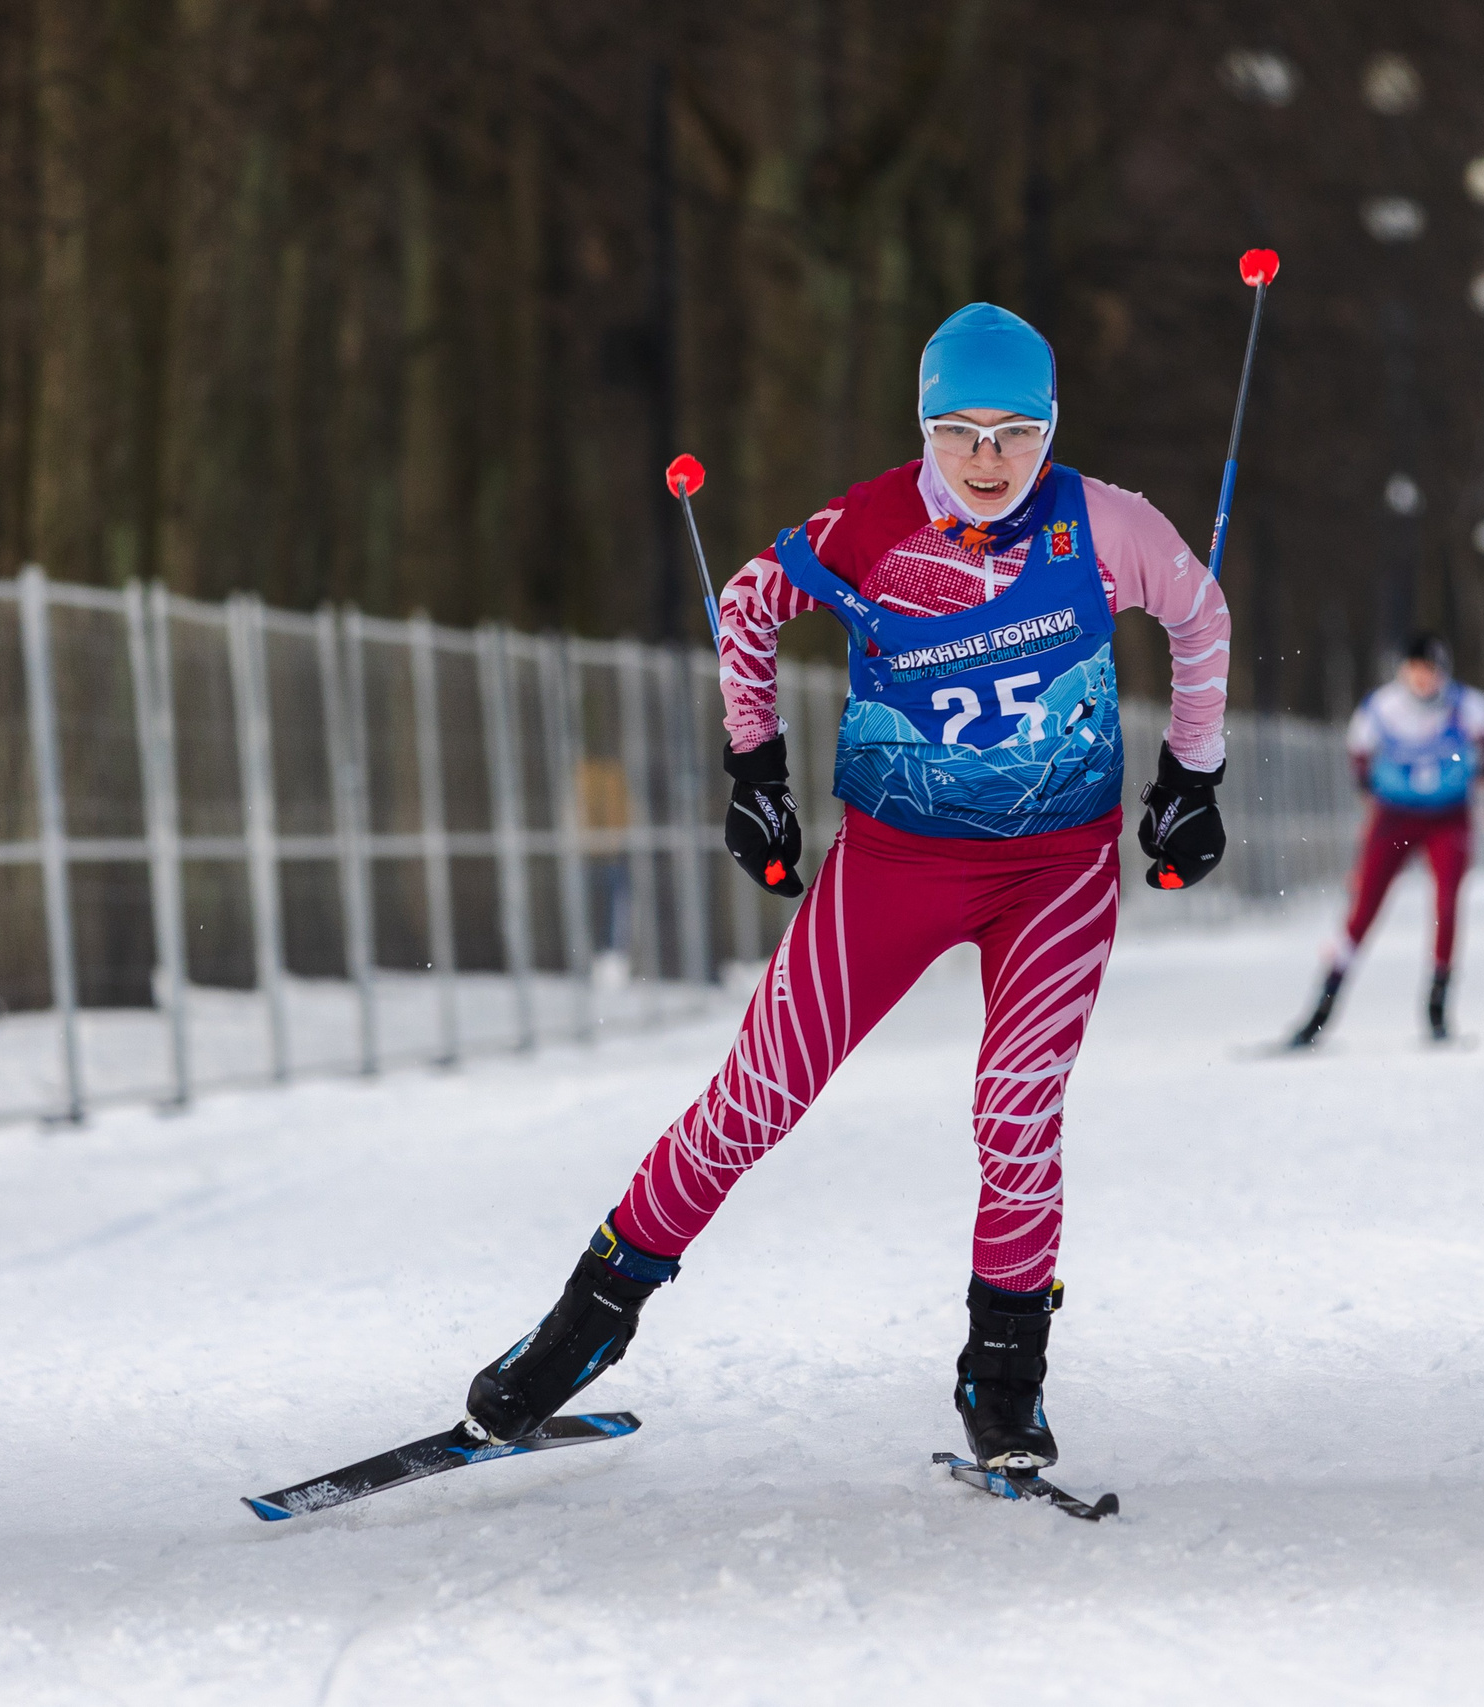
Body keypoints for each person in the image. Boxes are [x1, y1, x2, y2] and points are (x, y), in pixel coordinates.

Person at [459, 303, 1231, 1475]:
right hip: (892, 867)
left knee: (1017, 1108)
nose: (985, 460)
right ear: (922, 427)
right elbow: (747, 607)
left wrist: (1191, 777)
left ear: (1051, 427)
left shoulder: (1104, 524)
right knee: (756, 1097)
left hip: (1055, 873)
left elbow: (1199, 615)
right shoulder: (870, 523)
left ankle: (1002, 1382)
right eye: (957, 432)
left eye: (1015, 434)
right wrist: (754, 769)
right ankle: (582, 1328)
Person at [1289, 633, 1484, 1047]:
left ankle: (1437, 1008)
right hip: (1395, 818)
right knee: (1363, 908)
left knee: (1446, 904)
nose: (1424, 679)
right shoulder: (1383, 706)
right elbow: (1359, 752)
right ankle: (1321, 1009)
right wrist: (1369, 788)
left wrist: (1483, 770)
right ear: (1405, 671)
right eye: (1417, 669)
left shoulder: (1466, 705)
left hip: (1448, 817)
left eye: (1432, 670)